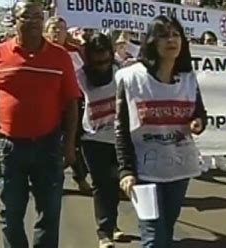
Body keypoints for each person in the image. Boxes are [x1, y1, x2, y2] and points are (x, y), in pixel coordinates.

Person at [0, 1, 80, 247]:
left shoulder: (60, 57)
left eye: (39, 16)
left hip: (48, 146)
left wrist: (69, 145)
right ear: (15, 20)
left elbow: (71, 104)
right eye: (27, 16)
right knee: (10, 215)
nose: (35, 20)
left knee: (49, 214)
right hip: (9, 148)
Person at [115, 16, 207, 248]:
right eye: (164, 35)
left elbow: (200, 114)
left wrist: (198, 122)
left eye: (176, 35)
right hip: (144, 173)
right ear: (152, 42)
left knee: (166, 232)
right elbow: (122, 129)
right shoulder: (131, 78)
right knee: (153, 239)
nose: (171, 40)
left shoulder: (188, 79)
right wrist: (126, 170)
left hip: (179, 169)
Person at [77, 33, 125, 248]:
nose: (103, 66)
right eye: (97, 62)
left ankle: (113, 225)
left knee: (115, 183)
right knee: (101, 184)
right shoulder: (80, 77)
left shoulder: (121, 72)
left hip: (119, 138)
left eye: (106, 60)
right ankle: (103, 232)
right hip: (92, 138)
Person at [44, 15, 91, 193]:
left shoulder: (74, 51)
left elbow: (84, 77)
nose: (57, 32)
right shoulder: (41, 50)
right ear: (46, 32)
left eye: (61, 28)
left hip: (72, 104)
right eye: (53, 28)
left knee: (74, 142)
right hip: (47, 105)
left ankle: (79, 177)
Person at [197, 30, 226, 172]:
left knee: (219, 131)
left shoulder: (221, 57)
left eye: (212, 40)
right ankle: (205, 161)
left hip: (219, 100)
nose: (209, 43)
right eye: (207, 40)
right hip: (203, 99)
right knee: (206, 130)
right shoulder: (197, 58)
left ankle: (220, 160)